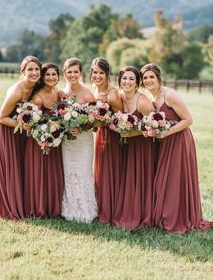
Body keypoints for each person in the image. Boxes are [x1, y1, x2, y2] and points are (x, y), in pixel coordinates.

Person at [140, 63, 212, 233]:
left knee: (174, 179)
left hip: (178, 140)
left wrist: (166, 133)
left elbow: (188, 120)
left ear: (158, 78)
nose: (149, 80)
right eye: (145, 78)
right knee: (162, 179)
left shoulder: (169, 95)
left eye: (152, 77)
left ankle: (177, 217)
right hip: (163, 142)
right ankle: (164, 214)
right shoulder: (149, 98)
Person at [0, 56, 42, 219]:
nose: (34, 72)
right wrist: (23, 126)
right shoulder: (16, 91)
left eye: (36, 69)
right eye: (30, 69)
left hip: (17, 129)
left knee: (19, 165)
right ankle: (7, 206)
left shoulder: (36, 86)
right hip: (4, 129)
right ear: (22, 71)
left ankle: (22, 203)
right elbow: (1, 117)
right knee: (10, 167)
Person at [112, 66, 155, 229]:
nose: (127, 82)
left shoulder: (143, 101)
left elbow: (154, 127)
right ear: (119, 81)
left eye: (131, 79)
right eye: (124, 78)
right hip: (126, 147)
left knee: (139, 178)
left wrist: (132, 133)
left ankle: (142, 214)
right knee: (128, 178)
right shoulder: (119, 97)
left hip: (142, 147)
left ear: (137, 83)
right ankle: (127, 209)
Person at [59, 58, 97, 222]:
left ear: (81, 73)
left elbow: (95, 121)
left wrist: (81, 128)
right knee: (69, 172)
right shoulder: (60, 94)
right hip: (67, 142)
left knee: (83, 172)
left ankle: (86, 210)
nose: (73, 74)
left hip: (83, 141)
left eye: (76, 71)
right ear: (64, 73)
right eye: (69, 71)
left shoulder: (87, 94)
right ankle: (69, 208)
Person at [24, 63, 64, 218]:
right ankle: (38, 208)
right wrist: (45, 135)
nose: (51, 77)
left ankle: (53, 207)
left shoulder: (57, 92)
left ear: (58, 77)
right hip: (38, 142)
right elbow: (32, 123)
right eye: (47, 74)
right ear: (42, 76)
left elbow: (63, 110)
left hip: (54, 141)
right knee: (40, 174)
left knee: (52, 174)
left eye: (54, 74)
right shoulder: (37, 98)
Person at [90, 58, 123, 223]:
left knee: (110, 170)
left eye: (101, 73)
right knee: (100, 170)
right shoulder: (93, 90)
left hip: (112, 137)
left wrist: (102, 121)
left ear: (107, 74)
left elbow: (121, 119)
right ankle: (100, 205)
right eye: (94, 72)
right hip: (100, 135)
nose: (97, 76)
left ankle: (111, 210)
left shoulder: (112, 94)